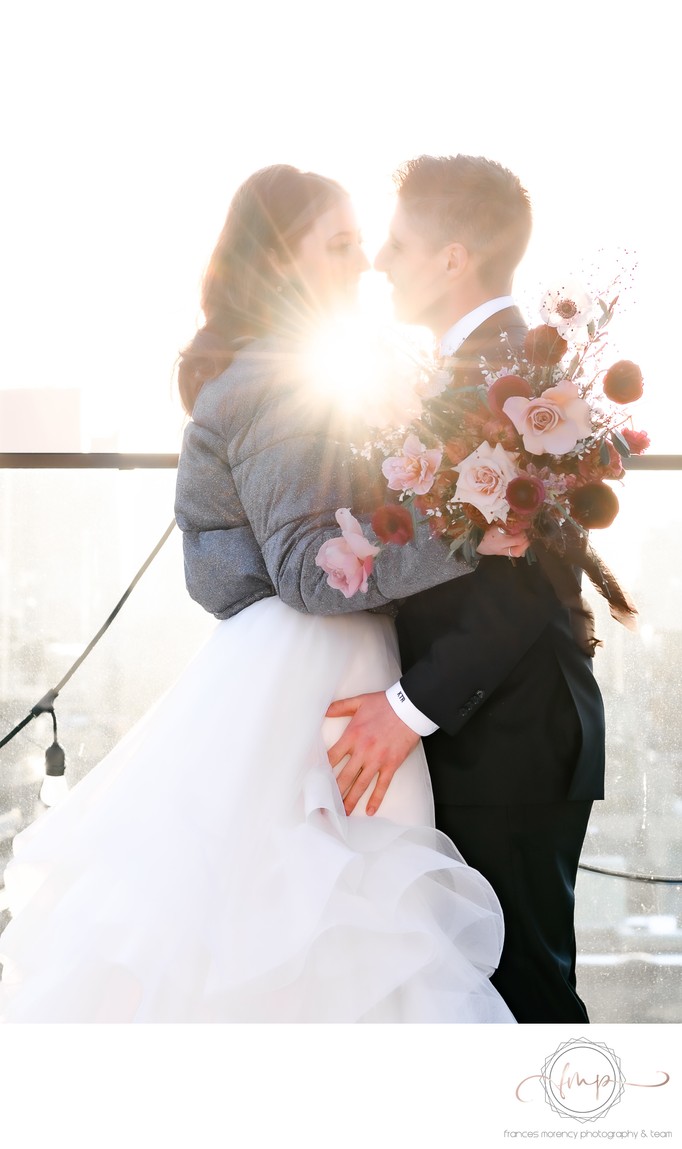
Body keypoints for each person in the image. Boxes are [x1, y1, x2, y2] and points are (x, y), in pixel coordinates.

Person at [0, 163, 523, 1023]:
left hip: (286, 668)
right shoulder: (282, 381)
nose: (364, 262)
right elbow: (309, 569)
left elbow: (232, 572)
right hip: (314, 668)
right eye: (343, 243)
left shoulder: (280, 372)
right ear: (285, 262)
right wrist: (468, 534)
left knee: (280, 918)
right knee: (324, 923)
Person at [322, 155, 607, 1024]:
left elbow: (517, 587)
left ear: (454, 258)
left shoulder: (520, 380)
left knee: (521, 996)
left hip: (513, 738)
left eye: (398, 244)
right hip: (482, 733)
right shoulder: (469, 372)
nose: (378, 262)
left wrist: (405, 709)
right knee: (469, 992)